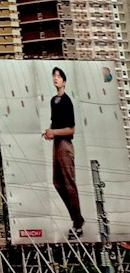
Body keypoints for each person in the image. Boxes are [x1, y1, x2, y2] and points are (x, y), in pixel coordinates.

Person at [44, 65, 85, 239]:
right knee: (57, 183)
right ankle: (76, 218)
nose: (56, 79)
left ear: (64, 81)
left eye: (59, 76)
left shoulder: (67, 101)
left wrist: (55, 133)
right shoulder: (53, 100)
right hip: (56, 144)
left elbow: (71, 129)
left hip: (65, 145)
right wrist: (49, 131)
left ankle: (78, 223)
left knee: (69, 184)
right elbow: (55, 122)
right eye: (54, 76)